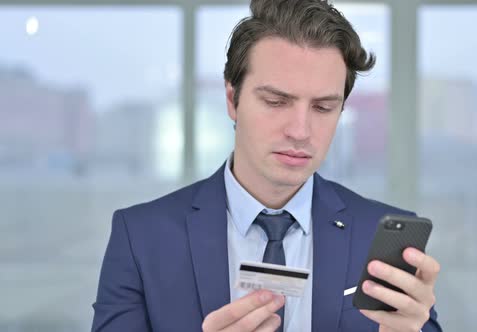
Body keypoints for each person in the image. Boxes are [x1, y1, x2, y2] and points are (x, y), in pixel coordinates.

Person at [91, 0, 442, 331]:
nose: (301, 131)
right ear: (233, 99)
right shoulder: (142, 238)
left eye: (322, 108)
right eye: (276, 102)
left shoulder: (378, 239)